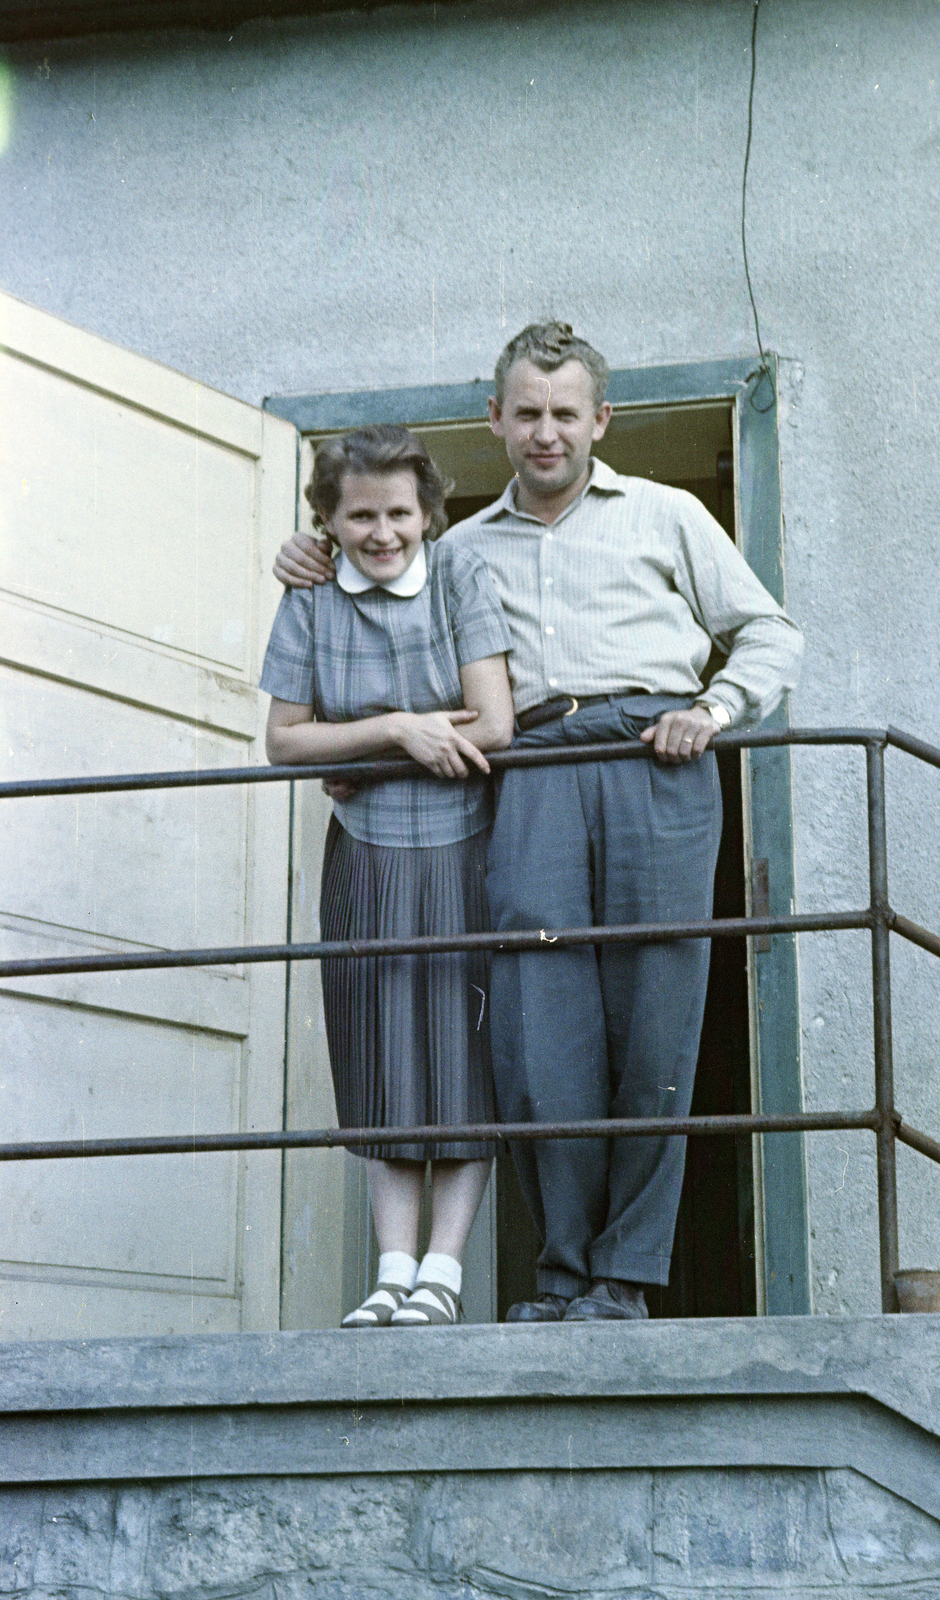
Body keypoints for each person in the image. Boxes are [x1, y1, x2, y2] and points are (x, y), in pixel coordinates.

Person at [274, 323, 803, 1325]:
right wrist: (304, 553)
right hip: (528, 776)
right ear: (495, 421)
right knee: (536, 1028)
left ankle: (626, 1278)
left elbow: (767, 631)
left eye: (565, 412)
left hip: (657, 756)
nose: (546, 432)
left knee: (654, 1021)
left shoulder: (666, 512)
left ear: (599, 419)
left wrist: (716, 709)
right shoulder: (457, 550)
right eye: (526, 412)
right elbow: (376, 616)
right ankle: (560, 1273)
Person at [261, 425, 513, 1328]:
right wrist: (398, 728)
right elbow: (285, 739)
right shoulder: (309, 597)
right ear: (326, 521)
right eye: (359, 515)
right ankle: (390, 1269)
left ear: (426, 512)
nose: (382, 533)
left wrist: (367, 738)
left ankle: (441, 1274)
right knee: (377, 1052)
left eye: (399, 512)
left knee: (461, 1050)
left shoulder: (457, 576)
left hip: (464, 842)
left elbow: (493, 724)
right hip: (363, 849)